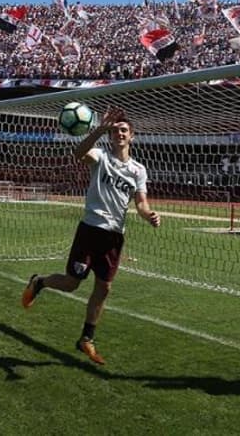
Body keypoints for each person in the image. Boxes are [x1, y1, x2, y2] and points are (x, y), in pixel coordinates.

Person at [21, 106, 160, 365]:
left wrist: (149, 215)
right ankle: (39, 282)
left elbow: (141, 203)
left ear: (132, 136)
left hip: (114, 237)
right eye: (116, 130)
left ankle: (86, 338)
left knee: (104, 287)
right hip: (90, 230)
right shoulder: (101, 156)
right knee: (73, 283)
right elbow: (78, 152)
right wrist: (99, 129)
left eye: (124, 130)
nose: (119, 133)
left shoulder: (138, 170)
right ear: (110, 135)